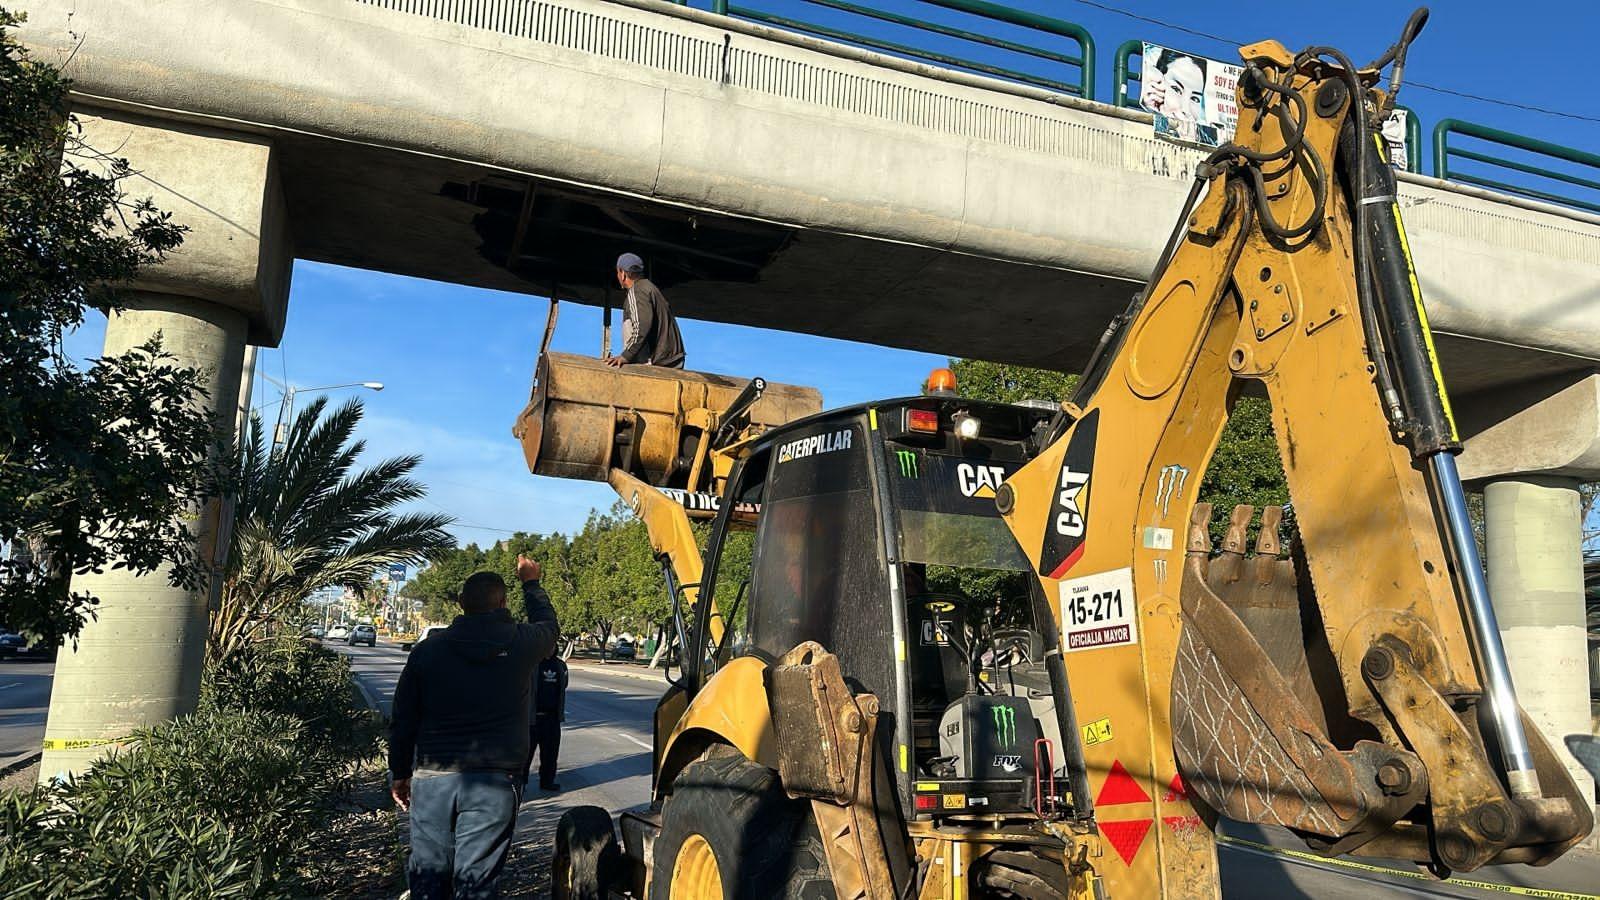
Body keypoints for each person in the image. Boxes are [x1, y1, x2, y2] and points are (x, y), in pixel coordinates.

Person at [388, 556, 558, 900]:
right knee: (476, 884)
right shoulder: (521, 642)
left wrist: (400, 772)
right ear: (503, 602)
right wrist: (532, 583)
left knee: (428, 877)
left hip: (433, 779)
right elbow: (550, 628)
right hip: (495, 782)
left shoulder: (427, 651)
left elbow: (404, 718)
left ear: (461, 605)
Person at [606, 252, 685, 369]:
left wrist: (625, 356)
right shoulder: (650, 288)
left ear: (622, 274)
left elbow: (642, 326)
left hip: (658, 361)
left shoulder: (637, 291)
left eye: (618, 272)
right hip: (672, 359)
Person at [526, 649, 568, 791]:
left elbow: (564, 686)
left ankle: (547, 782)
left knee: (550, 754)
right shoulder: (531, 663)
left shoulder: (560, 665)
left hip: (552, 718)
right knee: (525, 755)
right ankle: (520, 784)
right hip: (532, 719)